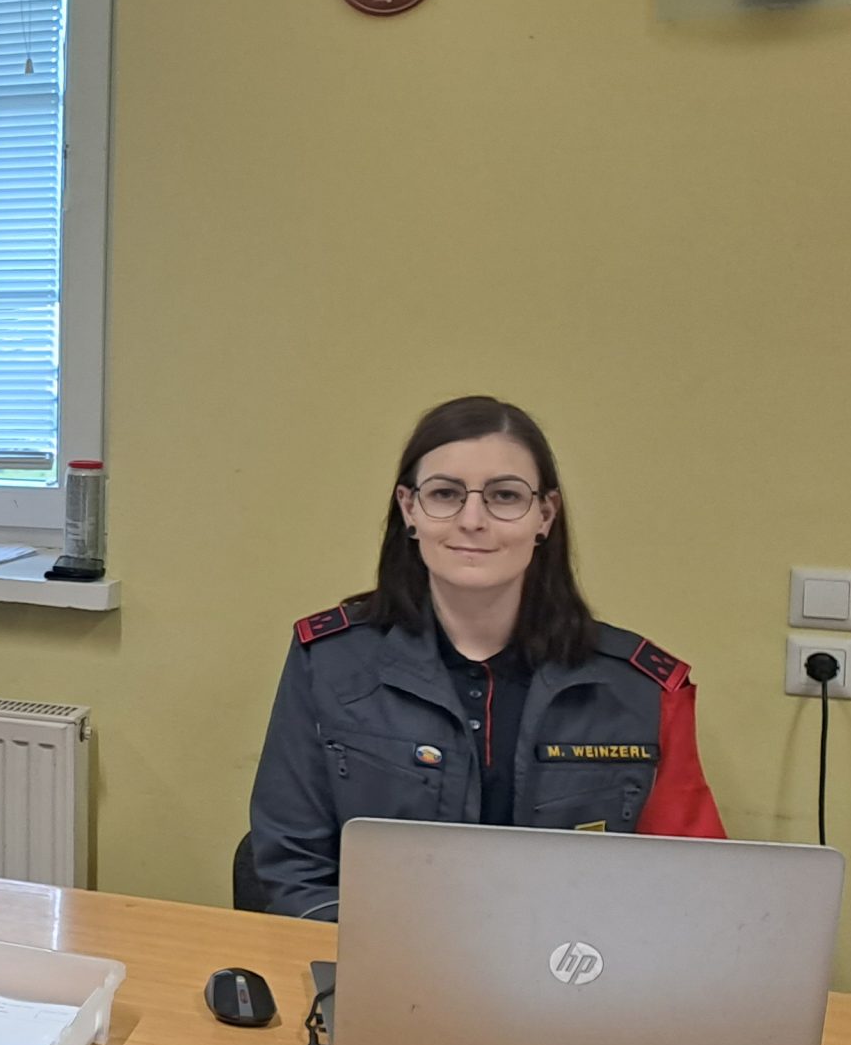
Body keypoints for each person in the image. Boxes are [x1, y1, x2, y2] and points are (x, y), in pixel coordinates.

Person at [249, 395, 726, 922]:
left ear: (544, 515)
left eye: (504, 495)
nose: (472, 520)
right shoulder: (330, 663)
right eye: (445, 494)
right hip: (379, 958)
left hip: (577, 964)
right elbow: (294, 868)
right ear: (409, 509)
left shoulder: (640, 689)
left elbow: (691, 887)